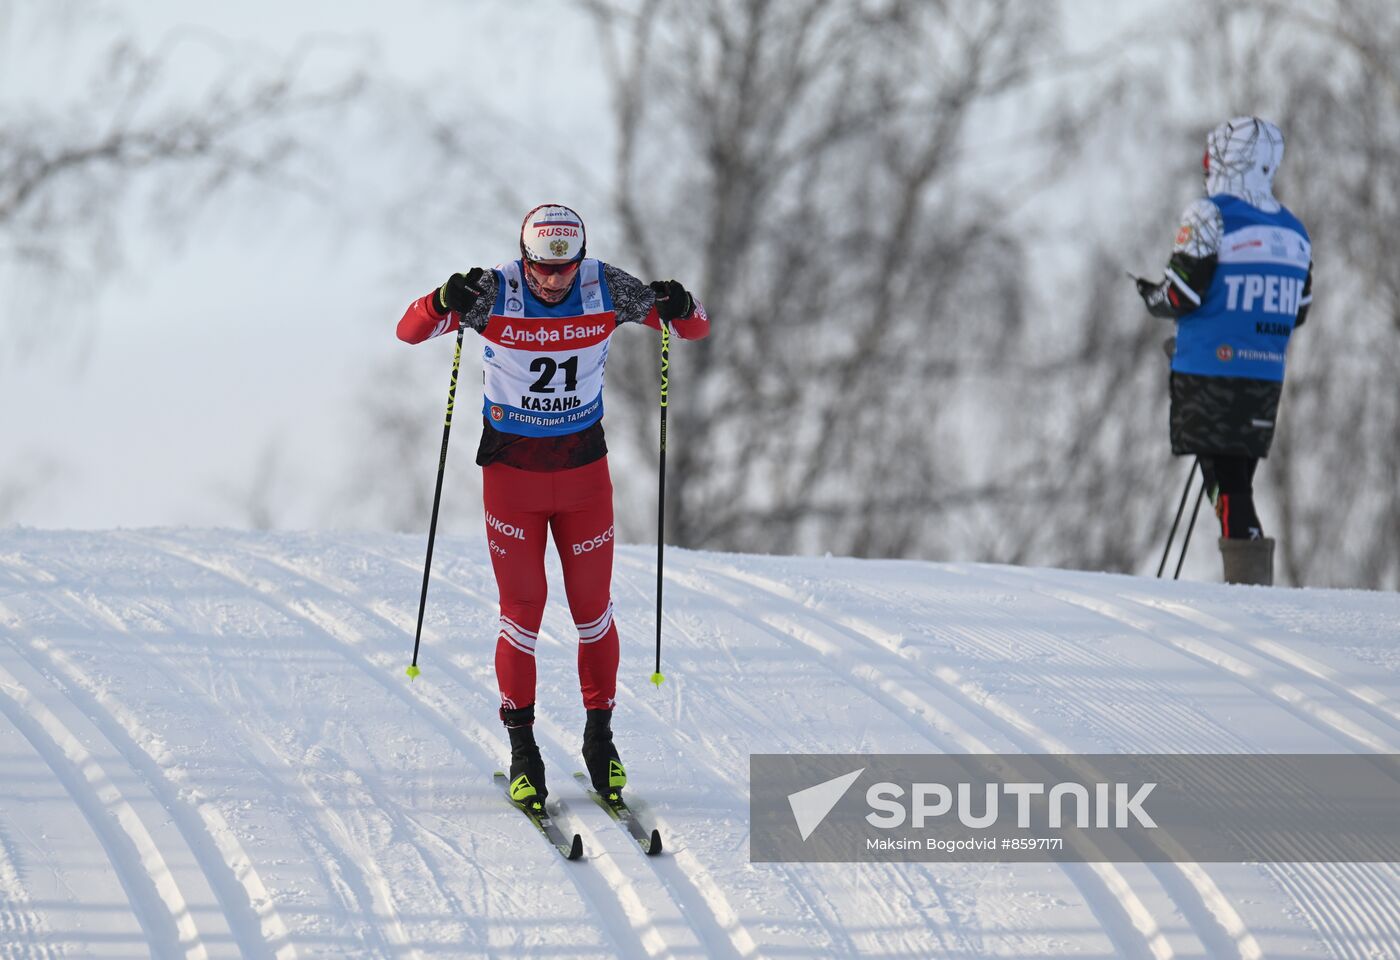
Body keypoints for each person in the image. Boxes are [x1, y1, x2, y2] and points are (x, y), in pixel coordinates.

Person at [396, 204, 709, 808]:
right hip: (513, 479)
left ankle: (600, 741)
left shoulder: (606, 285)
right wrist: (442, 300)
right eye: (542, 267)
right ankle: (524, 752)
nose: (554, 280)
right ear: (525, 257)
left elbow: (693, 329)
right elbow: (409, 331)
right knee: (523, 613)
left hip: (584, 478)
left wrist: (680, 302)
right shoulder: (493, 291)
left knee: (594, 611)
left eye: (565, 268)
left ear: (580, 259)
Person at [1134, 117, 1313, 585]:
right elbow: (1299, 311)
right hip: (1265, 378)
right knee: (1236, 479)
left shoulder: (1208, 216)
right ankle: (1247, 575)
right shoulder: (1295, 232)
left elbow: (1180, 295)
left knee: (1226, 482)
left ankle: (1249, 582)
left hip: (1209, 371)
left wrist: (1148, 293)